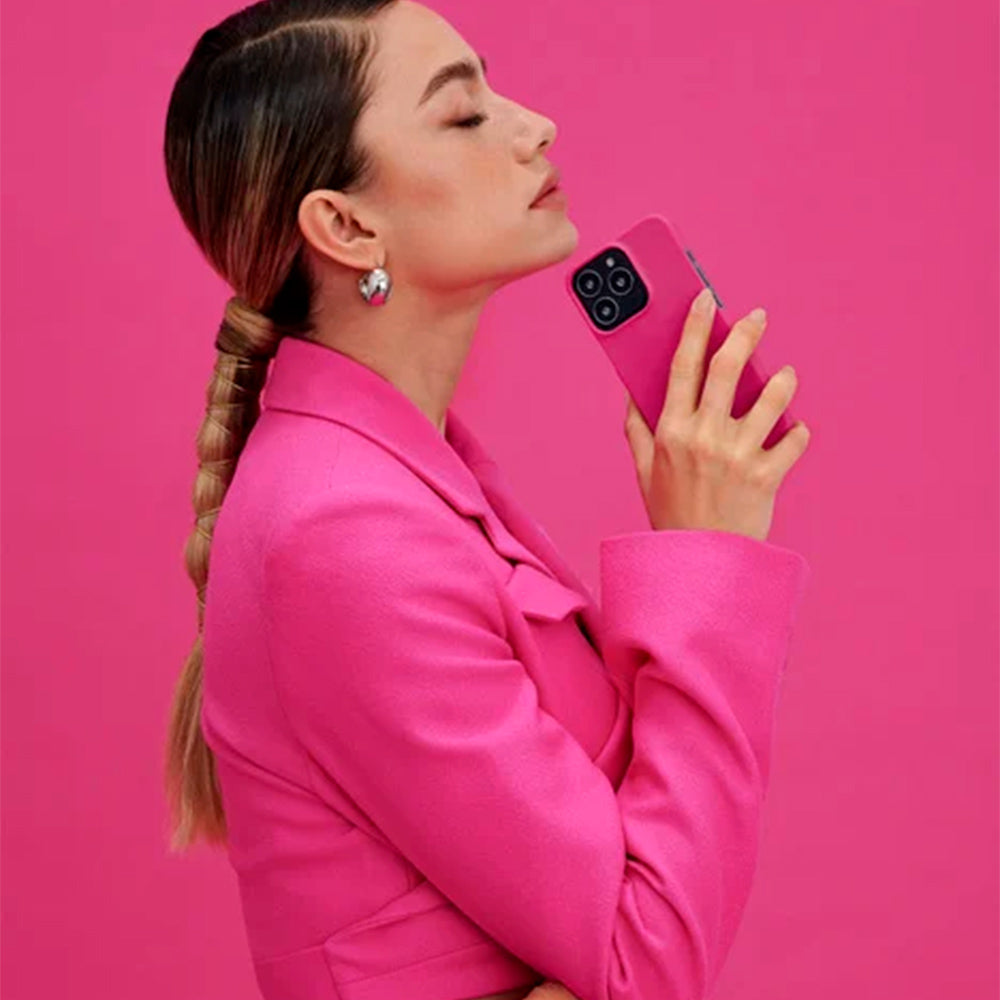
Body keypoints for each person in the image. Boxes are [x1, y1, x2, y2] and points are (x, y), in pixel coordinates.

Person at [162, 2, 812, 999]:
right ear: (346, 225)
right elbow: (642, 962)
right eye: (463, 114)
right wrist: (704, 554)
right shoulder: (346, 534)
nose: (535, 125)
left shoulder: (404, 476)